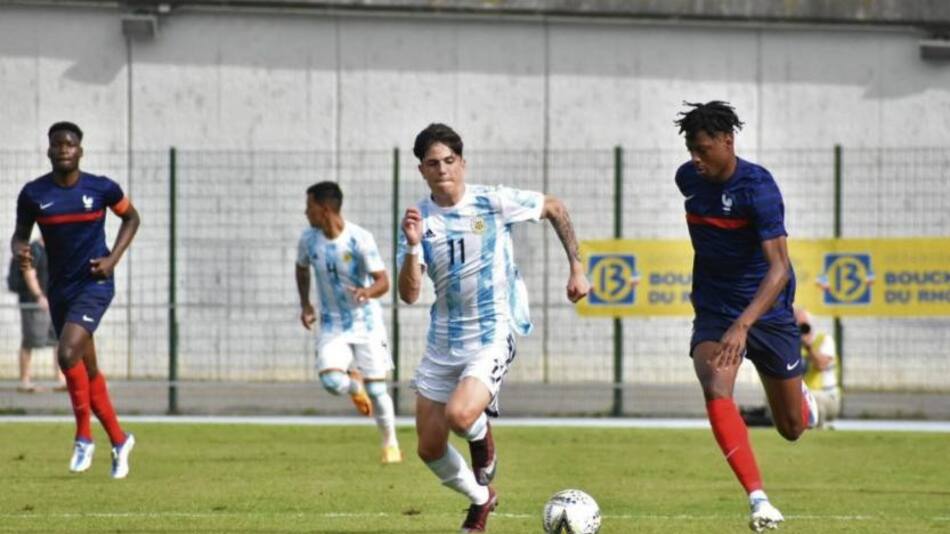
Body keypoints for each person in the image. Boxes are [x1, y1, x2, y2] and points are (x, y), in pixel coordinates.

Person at [398, 123, 590, 533]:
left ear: (462, 163)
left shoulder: (492, 201)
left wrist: (577, 267)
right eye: (433, 163)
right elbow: (410, 294)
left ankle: (481, 439)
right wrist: (412, 245)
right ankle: (481, 498)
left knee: (460, 414)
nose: (442, 169)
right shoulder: (419, 220)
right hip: (442, 341)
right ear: (422, 170)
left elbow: (554, 207)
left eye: (449, 160)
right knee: (429, 448)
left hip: (491, 332)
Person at [673, 101, 818, 532]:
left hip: (766, 311)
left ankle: (801, 399)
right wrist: (728, 321)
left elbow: (780, 269)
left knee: (791, 428)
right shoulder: (687, 179)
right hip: (715, 308)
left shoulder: (759, 189)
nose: (695, 159)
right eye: (690, 150)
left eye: (702, 150)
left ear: (727, 141)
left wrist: (744, 324)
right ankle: (759, 500)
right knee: (716, 385)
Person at [11, 121, 140, 479]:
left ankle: (83, 437)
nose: (64, 149)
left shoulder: (101, 188)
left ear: (80, 150)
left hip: (95, 283)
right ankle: (120, 440)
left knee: (66, 353)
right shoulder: (34, 194)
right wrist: (20, 250)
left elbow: (131, 218)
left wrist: (113, 259)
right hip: (60, 289)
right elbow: (19, 237)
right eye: (57, 144)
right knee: (88, 368)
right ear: (49, 150)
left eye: (70, 144)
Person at [295, 181, 403, 464]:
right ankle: (355, 386)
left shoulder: (359, 239)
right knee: (331, 381)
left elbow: (383, 282)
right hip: (333, 325)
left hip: (367, 324)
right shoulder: (309, 240)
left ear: (324, 209)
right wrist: (306, 304)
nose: (306, 213)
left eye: (309, 207)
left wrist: (367, 292)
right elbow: (301, 268)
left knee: (377, 390)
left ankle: (390, 444)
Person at [9, 237, 62, 392]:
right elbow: (29, 272)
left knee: (58, 340)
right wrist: (39, 296)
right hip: (34, 303)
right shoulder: (34, 249)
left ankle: (61, 379)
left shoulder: (52, 249)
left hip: (52, 303)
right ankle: (25, 381)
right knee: (29, 341)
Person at [796, 307, 841, 428]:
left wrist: (809, 347)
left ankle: (816, 427)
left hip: (827, 396)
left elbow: (821, 364)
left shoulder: (824, 340)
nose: (800, 330)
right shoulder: (792, 344)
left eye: (803, 326)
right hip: (802, 396)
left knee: (814, 402)